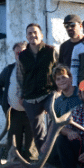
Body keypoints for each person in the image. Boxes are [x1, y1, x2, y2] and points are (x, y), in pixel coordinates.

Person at [17, 23, 57, 151]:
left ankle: (55, 152)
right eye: (30, 33)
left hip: (49, 93)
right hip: (30, 98)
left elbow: (60, 71)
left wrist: (59, 92)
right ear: (27, 37)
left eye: (35, 32)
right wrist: (21, 96)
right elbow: (20, 76)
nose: (33, 35)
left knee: (57, 121)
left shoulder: (51, 51)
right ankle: (44, 159)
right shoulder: (22, 56)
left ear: (41, 35)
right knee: (37, 132)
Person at [0, 42, 35, 161]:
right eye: (17, 53)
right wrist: (3, 102)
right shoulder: (9, 69)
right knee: (13, 147)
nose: (20, 55)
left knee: (31, 147)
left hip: (32, 113)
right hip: (14, 114)